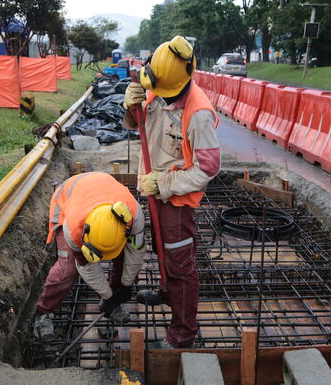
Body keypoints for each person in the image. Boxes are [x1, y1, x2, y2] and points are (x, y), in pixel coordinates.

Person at [122, 35, 220, 349]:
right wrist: (130, 107)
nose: (156, 95)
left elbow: (208, 169)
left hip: (176, 200)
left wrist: (163, 184)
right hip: (154, 191)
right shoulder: (158, 87)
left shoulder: (199, 114)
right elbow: (137, 124)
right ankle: (166, 293)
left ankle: (182, 334)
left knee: (181, 265)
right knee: (161, 250)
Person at [33, 171, 146, 341]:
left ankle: (113, 304)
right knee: (67, 267)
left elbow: (135, 253)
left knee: (124, 259)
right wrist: (106, 294)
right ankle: (43, 312)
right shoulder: (73, 229)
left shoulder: (134, 215)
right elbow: (86, 266)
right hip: (68, 195)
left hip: (102, 187)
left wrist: (125, 285)